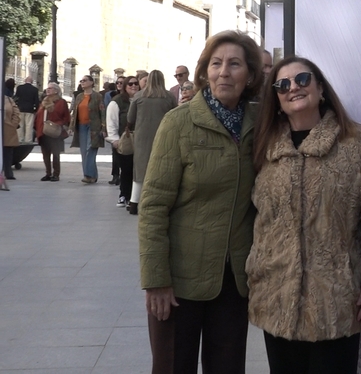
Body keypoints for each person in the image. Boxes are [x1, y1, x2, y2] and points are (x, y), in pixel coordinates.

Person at [248, 56, 361, 373]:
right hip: (276, 295)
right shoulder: (264, 149)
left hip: (335, 299)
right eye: (282, 85)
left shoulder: (355, 144)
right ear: (276, 100)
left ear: (320, 89)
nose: (293, 88)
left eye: (302, 79)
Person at [138, 30, 264, 372]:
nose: (224, 72)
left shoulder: (262, 126)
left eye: (234, 64)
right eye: (216, 63)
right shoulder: (178, 123)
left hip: (233, 282)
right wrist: (155, 280)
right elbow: (152, 206)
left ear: (250, 75)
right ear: (205, 72)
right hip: (178, 280)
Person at [127, 70, 176, 215]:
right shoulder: (169, 97)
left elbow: (130, 117)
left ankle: (134, 202)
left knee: (140, 169)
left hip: (142, 137)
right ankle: (158, 201)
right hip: (164, 135)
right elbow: (175, 115)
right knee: (161, 166)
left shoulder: (139, 96)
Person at [107, 76, 138, 209]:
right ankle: (124, 194)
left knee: (137, 169)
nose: (133, 86)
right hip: (123, 140)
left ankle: (134, 196)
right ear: (125, 86)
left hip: (139, 139)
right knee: (125, 169)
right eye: (130, 84)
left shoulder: (141, 100)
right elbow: (112, 121)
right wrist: (114, 139)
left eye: (136, 83)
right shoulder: (117, 102)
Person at [70, 75, 105, 184]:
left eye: (85, 80)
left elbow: (102, 112)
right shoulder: (79, 96)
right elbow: (75, 113)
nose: (82, 82)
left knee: (91, 150)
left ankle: (89, 175)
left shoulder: (98, 96)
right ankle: (90, 175)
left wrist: (103, 127)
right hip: (81, 126)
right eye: (81, 81)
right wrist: (71, 127)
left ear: (91, 82)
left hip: (94, 127)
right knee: (84, 152)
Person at [36, 82, 69, 182]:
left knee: (55, 154)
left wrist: (60, 124)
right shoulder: (44, 102)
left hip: (55, 131)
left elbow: (66, 116)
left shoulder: (61, 102)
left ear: (56, 91)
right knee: (45, 154)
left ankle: (56, 174)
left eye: (50, 88)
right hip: (43, 131)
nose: (47, 90)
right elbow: (38, 116)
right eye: (47, 88)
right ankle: (48, 173)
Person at [106, 76, 126, 185]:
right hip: (115, 129)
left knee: (124, 154)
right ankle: (115, 175)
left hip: (124, 129)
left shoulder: (128, 98)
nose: (119, 84)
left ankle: (122, 174)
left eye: (121, 82)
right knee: (115, 153)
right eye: (117, 82)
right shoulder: (111, 95)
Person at [14, 76, 39, 143]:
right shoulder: (35, 89)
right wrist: (36, 109)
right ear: (32, 81)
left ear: (25, 80)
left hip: (20, 109)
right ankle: (28, 140)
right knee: (29, 126)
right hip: (30, 110)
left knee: (20, 125)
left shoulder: (19, 88)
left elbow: (16, 98)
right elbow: (36, 101)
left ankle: (20, 139)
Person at [3, 93, 21, 180]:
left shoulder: (8, 99)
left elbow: (16, 112)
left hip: (7, 129)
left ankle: (8, 173)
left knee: (7, 152)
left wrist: (13, 125)